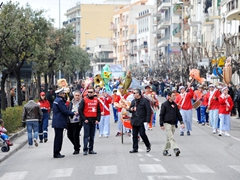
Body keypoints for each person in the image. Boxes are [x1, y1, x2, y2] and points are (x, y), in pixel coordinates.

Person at [52, 88, 76, 158]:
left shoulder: (57, 100)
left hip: (57, 121)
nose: (64, 95)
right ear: (60, 94)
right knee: (58, 138)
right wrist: (72, 113)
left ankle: (56, 152)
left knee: (58, 137)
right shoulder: (60, 101)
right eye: (63, 93)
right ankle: (57, 152)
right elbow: (64, 111)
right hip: (59, 121)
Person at [160, 91, 185, 156]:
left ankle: (165, 150)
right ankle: (176, 148)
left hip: (173, 123)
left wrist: (181, 122)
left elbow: (178, 114)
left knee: (169, 138)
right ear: (169, 97)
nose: (174, 97)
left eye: (175, 95)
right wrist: (161, 124)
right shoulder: (164, 104)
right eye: (173, 96)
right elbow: (161, 115)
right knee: (171, 137)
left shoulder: (175, 104)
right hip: (167, 123)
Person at [79, 86, 101, 155]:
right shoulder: (84, 100)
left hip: (93, 120)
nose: (90, 93)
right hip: (86, 120)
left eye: (91, 92)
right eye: (88, 92)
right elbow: (80, 110)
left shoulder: (96, 100)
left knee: (92, 136)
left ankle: (91, 149)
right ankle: (85, 149)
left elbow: (98, 111)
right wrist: (84, 119)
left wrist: (98, 119)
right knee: (86, 135)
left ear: (94, 92)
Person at [128, 89, 151, 153]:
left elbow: (148, 110)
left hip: (141, 120)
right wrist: (131, 109)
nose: (133, 94)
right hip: (134, 119)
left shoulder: (145, 101)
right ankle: (135, 148)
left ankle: (148, 145)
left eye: (134, 93)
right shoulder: (133, 101)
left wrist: (148, 120)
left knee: (142, 134)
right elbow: (129, 109)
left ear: (138, 94)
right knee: (134, 135)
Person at [67, 90, 82, 155]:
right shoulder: (71, 102)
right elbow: (68, 109)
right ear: (74, 96)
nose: (77, 97)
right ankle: (77, 145)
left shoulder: (82, 102)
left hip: (78, 121)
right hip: (70, 120)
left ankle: (76, 149)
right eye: (76, 95)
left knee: (75, 135)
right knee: (69, 135)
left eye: (78, 95)